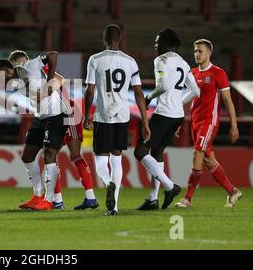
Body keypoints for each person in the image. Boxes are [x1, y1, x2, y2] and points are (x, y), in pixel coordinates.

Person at [8, 50, 98, 210]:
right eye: (16, 65)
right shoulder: (23, 81)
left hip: (68, 112)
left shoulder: (38, 69)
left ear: (26, 60)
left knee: (74, 155)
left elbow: (60, 80)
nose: (20, 66)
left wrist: (48, 86)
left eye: (21, 62)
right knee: (49, 155)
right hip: (48, 116)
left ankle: (90, 197)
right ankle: (56, 200)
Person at [84, 24, 151, 216]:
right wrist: (145, 123)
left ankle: (108, 184)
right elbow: (139, 94)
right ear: (119, 39)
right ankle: (114, 207)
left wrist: (87, 114)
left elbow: (90, 91)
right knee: (117, 160)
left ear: (104, 39)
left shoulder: (95, 59)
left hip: (103, 115)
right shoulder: (130, 61)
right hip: (122, 115)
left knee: (99, 162)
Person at [0, 50, 69, 210]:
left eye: (1, 77)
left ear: (8, 71)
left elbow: (53, 55)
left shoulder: (30, 66)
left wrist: (49, 82)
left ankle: (51, 201)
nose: (0, 81)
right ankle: (37, 195)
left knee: (49, 155)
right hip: (40, 116)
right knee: (27, 155)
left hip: (56, 114)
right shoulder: (13, 83)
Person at [134, 28, 200, 210]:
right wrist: (177, 101)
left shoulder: (161, 60)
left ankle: (170, 187)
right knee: (157, 153)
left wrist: (148, 98)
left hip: (164, 114)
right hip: (177, 115)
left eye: (158, 42)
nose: (155, 45)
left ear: (168, 44)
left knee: (140, 151)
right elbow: (195, 91)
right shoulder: (184, 63)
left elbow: (162, 86)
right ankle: (152, 199)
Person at [175, 39, 242, 208]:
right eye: (195, 51)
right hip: (194, 122)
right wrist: (178, 122)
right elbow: (185, 101)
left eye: (200, 51)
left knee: (197, 154)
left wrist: (234, 124)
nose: (197, 54)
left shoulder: (218, 73)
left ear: (209, 53)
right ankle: (233, 191)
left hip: (209, 122)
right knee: (208, 160)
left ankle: (187, 198)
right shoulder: (192, 73)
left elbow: (227, 100)